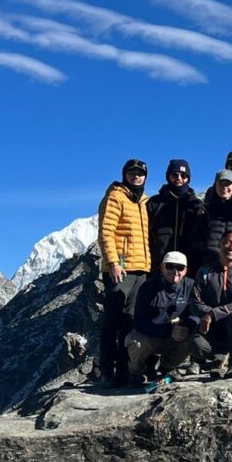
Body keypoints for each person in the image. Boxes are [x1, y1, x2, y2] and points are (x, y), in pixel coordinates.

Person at [97, 158, 151, 387]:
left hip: (142, 269)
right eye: (132, 173)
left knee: (131, 323)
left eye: (140, 173)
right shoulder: (116, 196)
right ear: (125, 175)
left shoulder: (145, 201)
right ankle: (107, 372)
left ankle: (125, 371)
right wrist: (112, 263)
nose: (136, 176)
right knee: (112, 322)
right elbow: (106, 232)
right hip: (121, 268)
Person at [124, 251, 198, 387]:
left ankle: (167, 367)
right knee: (135, 340)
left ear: (185, 271)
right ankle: (135, 373)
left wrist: (185, 327)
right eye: (170, 266)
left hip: (175, 338)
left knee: (194, 338)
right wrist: (169, 330)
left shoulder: (191, 286)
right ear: (162, 267)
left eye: (180, 268)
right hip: (151, 337)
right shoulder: (147, 287)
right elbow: (140, 322)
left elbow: (197, 313)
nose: (175, 271)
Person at [191, 231, 232, 378]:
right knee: (197, 345)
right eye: (227, 242)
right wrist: (209, 315)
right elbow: (195, 303)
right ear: (219, 245)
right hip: (214, 325)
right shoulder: (205, 271)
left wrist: (213, 314)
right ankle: (219, 357)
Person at [147, 159, 205, 273]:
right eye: (175, 175)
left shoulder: (195, 204)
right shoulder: (155, 202)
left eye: (183, 175)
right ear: (168, 176)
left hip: (189, 265)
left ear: (188, 178)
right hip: (159, 263)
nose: (179, 178)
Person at [199, 169, 232, 265]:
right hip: (210, 261)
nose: (224, 187)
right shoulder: (206, 208)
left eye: (228, 184)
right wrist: (205, 249)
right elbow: (195, 236)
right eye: (221, 184)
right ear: (215, 186)